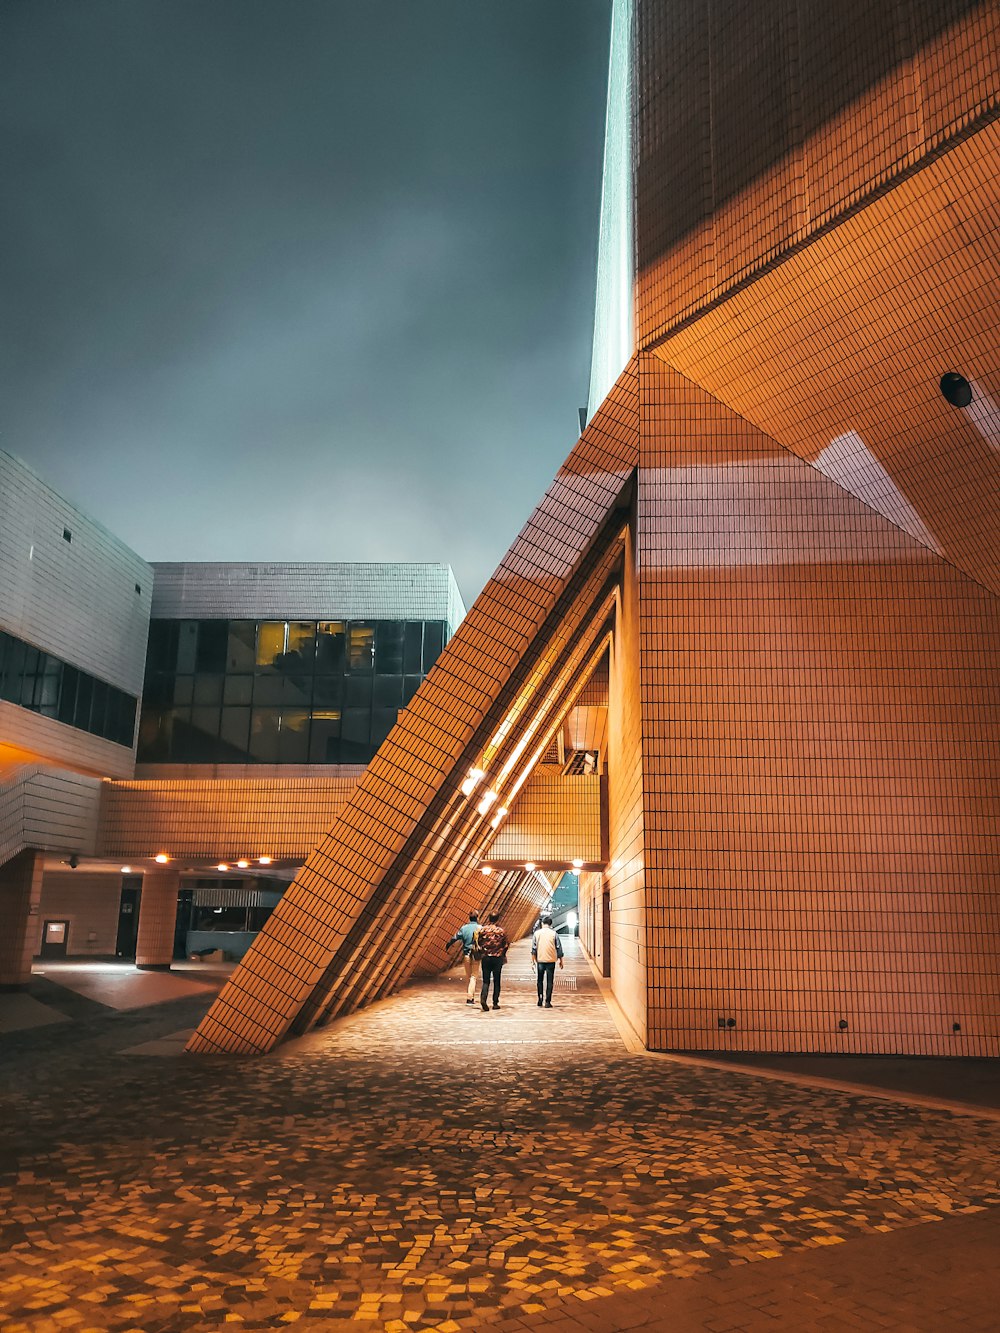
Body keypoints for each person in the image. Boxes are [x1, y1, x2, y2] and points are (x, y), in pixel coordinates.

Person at [445, 910, 482, 1004]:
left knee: (469, 976)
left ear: (469, 918)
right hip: (476, 955)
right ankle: (470, 997)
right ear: (477, 917)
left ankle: (470, 995)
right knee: (474, 976)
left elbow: (455, 937)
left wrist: (448, 944)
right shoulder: (480, 928)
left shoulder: (464, 928)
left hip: (466, 955)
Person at [478, 912, 509, 1011]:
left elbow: (479, 943)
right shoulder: (501, 931)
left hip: (486, 958)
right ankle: (495, 1003)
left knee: (486, 981)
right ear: (497, 919)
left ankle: (483, 998)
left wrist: (484, 951)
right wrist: (502, 954)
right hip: (497, 958)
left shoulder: (483, 930)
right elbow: (506, 945)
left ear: (489, 918)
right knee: (496, 980)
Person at [531, 914, 564, 1007]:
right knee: (550, 981)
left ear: (542, 923)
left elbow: (533, 949)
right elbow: (559, 948)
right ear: (550, 924)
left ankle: (540, 998)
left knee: (540, 980)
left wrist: (533, 961)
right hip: (551, 960)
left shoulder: (536, 934)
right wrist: (561, 960)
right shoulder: (554, 934)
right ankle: (548, 1001)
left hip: (540, 960)